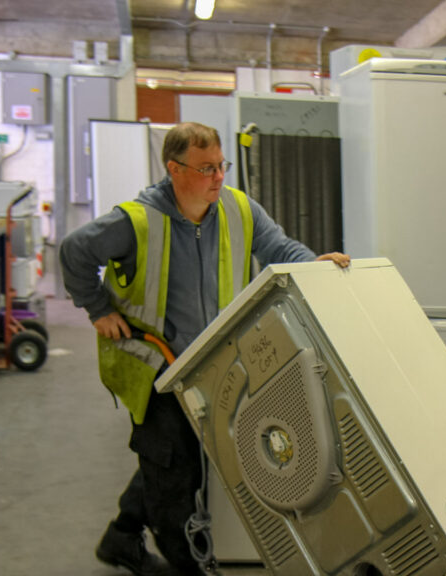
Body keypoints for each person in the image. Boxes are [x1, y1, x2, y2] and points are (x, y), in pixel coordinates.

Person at [60, 122, 350, 575]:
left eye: (221, 166)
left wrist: (314, 263)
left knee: (176, 456)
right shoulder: (136, 221)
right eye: (206, 168)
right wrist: (98, 309)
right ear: (175, 170)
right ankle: (189, 567)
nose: (218, 177)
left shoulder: (237, 208)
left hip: (212, 363)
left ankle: (120, 537)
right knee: (176, 472)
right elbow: (74, 251)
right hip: (158, 362)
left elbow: (278, 247)